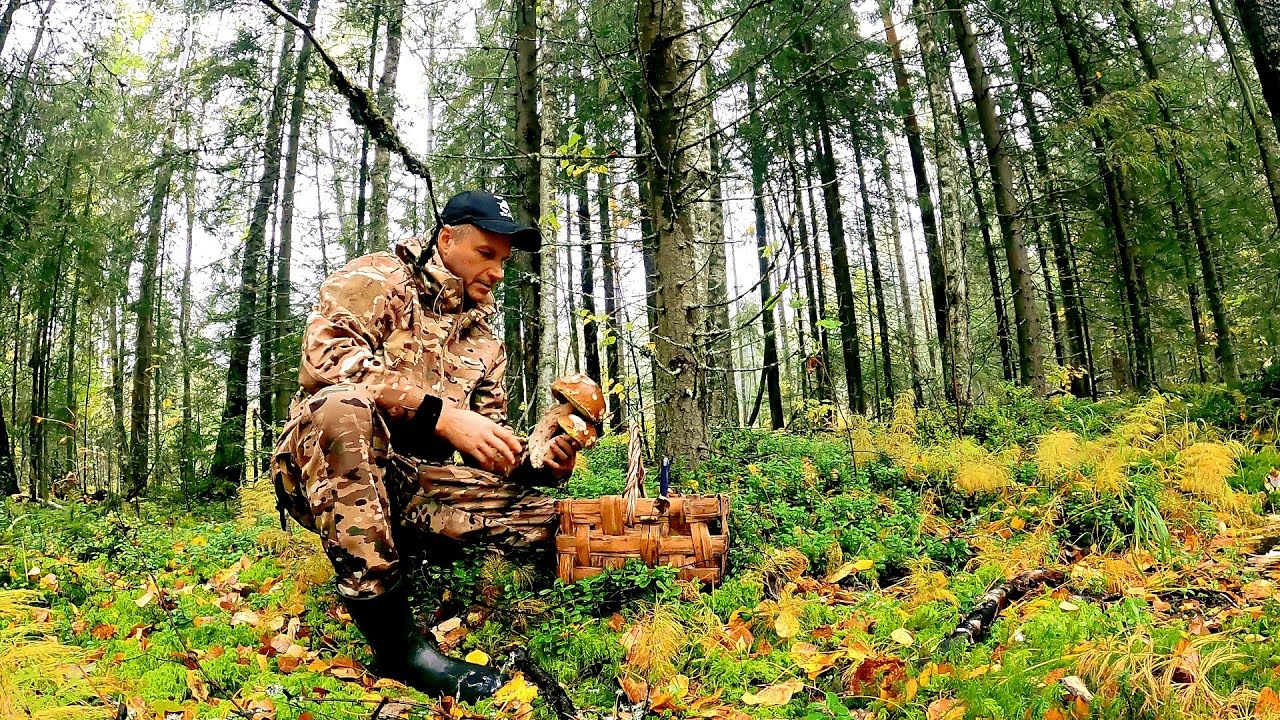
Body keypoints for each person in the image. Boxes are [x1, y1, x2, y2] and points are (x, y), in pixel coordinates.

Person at [270, 190, 581, 701]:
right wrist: (441, 415)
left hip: (413, 486)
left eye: (504, 260)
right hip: (327, 467)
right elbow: (324, 363)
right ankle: (397, 647)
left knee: (557, 520)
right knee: (341, 407)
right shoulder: (378, 279)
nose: (499, 272)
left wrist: (541, 462)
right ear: (446, 239)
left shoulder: (485, 341)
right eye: (486, 254)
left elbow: (487, 446)